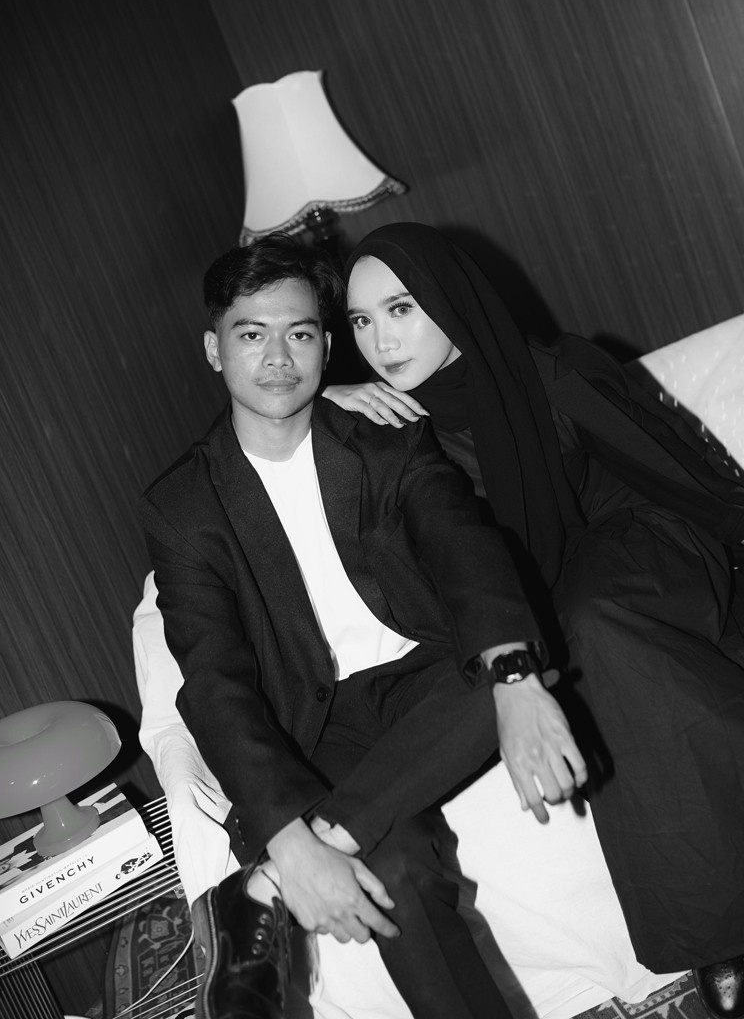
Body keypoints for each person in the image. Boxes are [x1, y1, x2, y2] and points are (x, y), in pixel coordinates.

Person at [139, 235, 586, 1019]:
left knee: (516, 668)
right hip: (321, 723)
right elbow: (213, 680)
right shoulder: (182, 507)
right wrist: (290, 834)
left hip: (430, 681)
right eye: (252, 334)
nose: (279, 358)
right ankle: (314, 855)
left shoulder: (385, 439)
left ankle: (262, 892)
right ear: (214, 350)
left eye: (300, 333)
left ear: (326, 345)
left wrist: (513, 675)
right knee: (398, 872)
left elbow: (466, 548)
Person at [332, 220, 744, 1019]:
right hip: (548, 594)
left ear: (450, 298)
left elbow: (674, 471)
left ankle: (722, 934)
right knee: (561, 638)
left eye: (402, 308)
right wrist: (324, 399)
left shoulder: (553, 371)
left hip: (648, 540)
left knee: (590, 620)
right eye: (360, 321)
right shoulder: (390, 435)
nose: (380, 340)